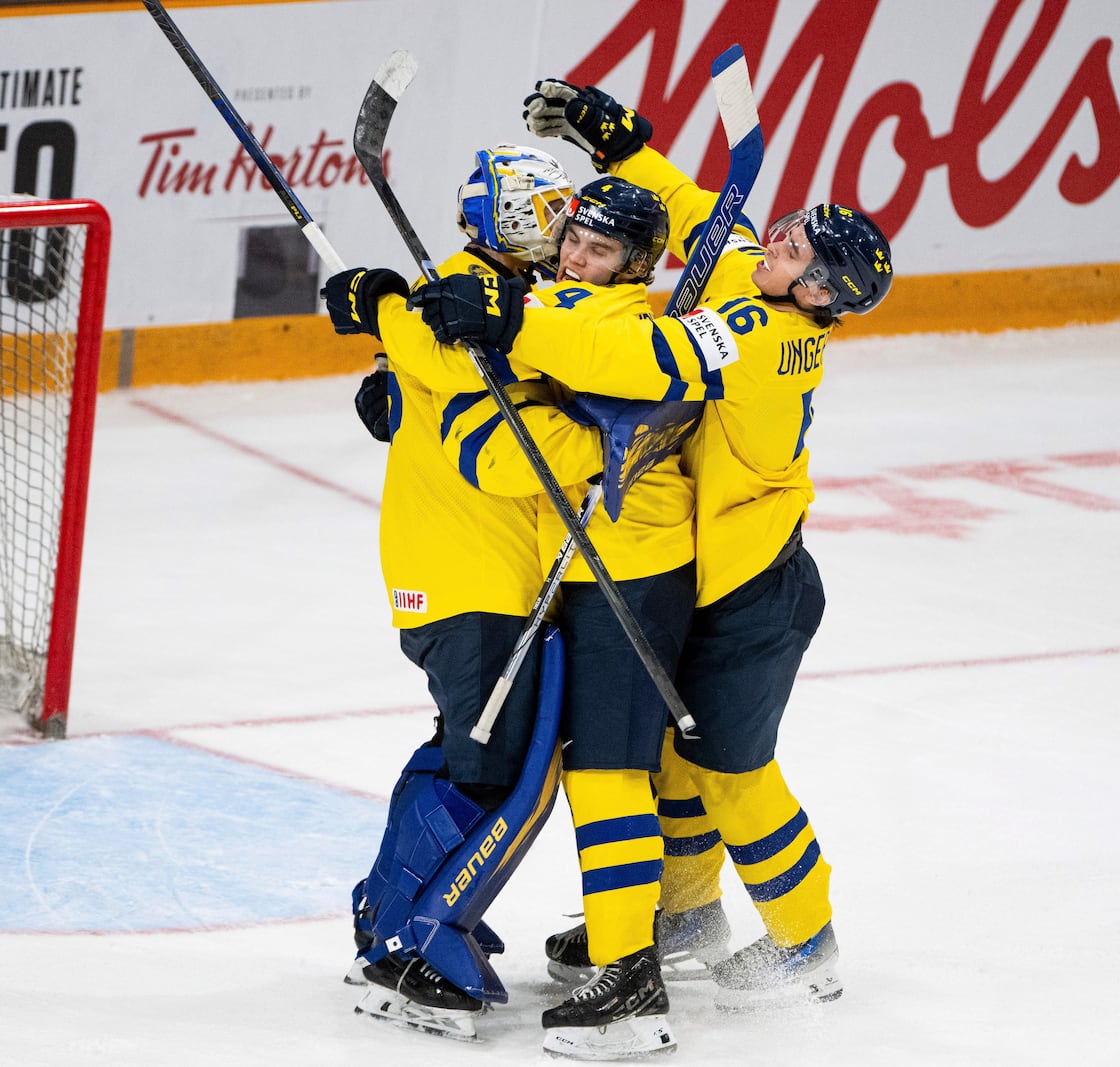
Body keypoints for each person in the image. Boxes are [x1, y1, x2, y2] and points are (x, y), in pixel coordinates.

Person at [419, 78, 895, 1014]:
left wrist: (516, 319)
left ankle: (808, 935)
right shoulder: (758, 284)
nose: (775, 237)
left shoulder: (766, 334)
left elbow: (645, 363)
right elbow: (700, 214)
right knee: (674, 758)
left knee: (727, 767)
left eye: (795, 244)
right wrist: (622, 148)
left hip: (755, 591)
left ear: (816, 289)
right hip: (712, 571)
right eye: (787, 226)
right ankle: (681, 918)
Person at [405, 176, 697, 1060]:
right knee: (594, 774)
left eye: (601, 249)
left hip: (630, 572)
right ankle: (626, 949)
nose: (575, 254)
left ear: (635, 266)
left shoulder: (612, 328)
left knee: (609, 777)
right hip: (592, 570)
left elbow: (546, 352)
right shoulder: (571, 303)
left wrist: (469, 321)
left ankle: (631, 977)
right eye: (573, 237)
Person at [320, 143, 579, 1042]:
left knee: (471, 749)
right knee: (493, 762)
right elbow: (453, 366)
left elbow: (401, 399)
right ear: (501, 216)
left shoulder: (499, 304)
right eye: (543, 212)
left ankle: (392, 908)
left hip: (472, 569)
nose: (562, 229)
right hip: (472, 574)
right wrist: (390, 306)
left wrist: (387, 322)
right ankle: (415, 940)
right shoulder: (455, 308)